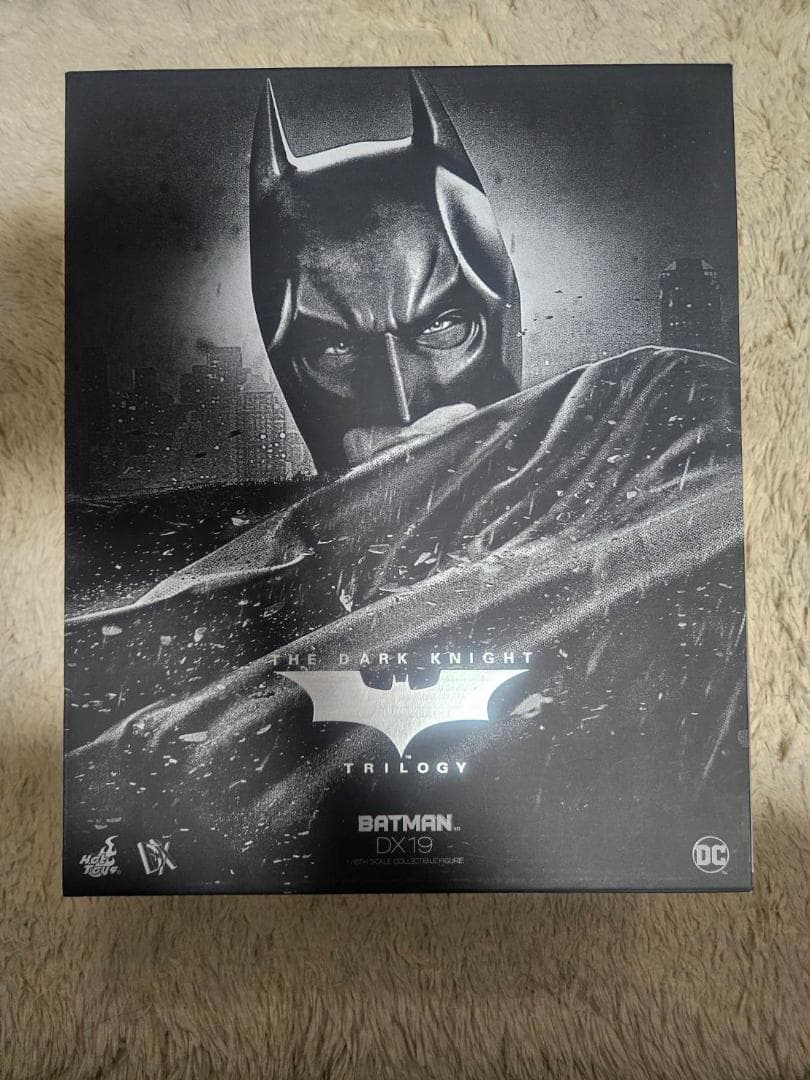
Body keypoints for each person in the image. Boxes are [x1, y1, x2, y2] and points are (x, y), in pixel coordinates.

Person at [63, 72, 749, 893]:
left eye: (444, 324)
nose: (398, 398)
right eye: (332, 348)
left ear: (500, 310)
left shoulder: (656, 408)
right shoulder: (249, 572)